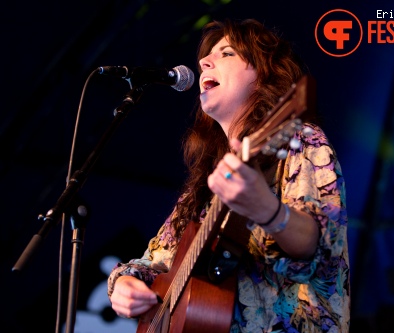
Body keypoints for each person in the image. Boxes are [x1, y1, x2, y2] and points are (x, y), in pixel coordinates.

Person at [107, 18, 350, 333]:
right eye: (206, 58)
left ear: (264, 74)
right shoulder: (207, 186)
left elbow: (320, 246)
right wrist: (125, 283)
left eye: (226, 53)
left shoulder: (298, 140)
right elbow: (152, 263)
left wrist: (266, 209)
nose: (204, 61)